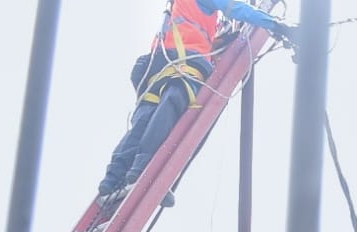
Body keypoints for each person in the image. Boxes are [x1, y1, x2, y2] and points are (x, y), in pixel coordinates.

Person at [98, 0, 291, 199]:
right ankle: (145, 168)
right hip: (184, 62)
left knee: (145, 118)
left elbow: (192, 28)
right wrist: (277, 25)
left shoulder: (177, 7)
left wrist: (221, 39)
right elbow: (238, 9)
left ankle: (114, 176)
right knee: (173, 104)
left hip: (158, 64)